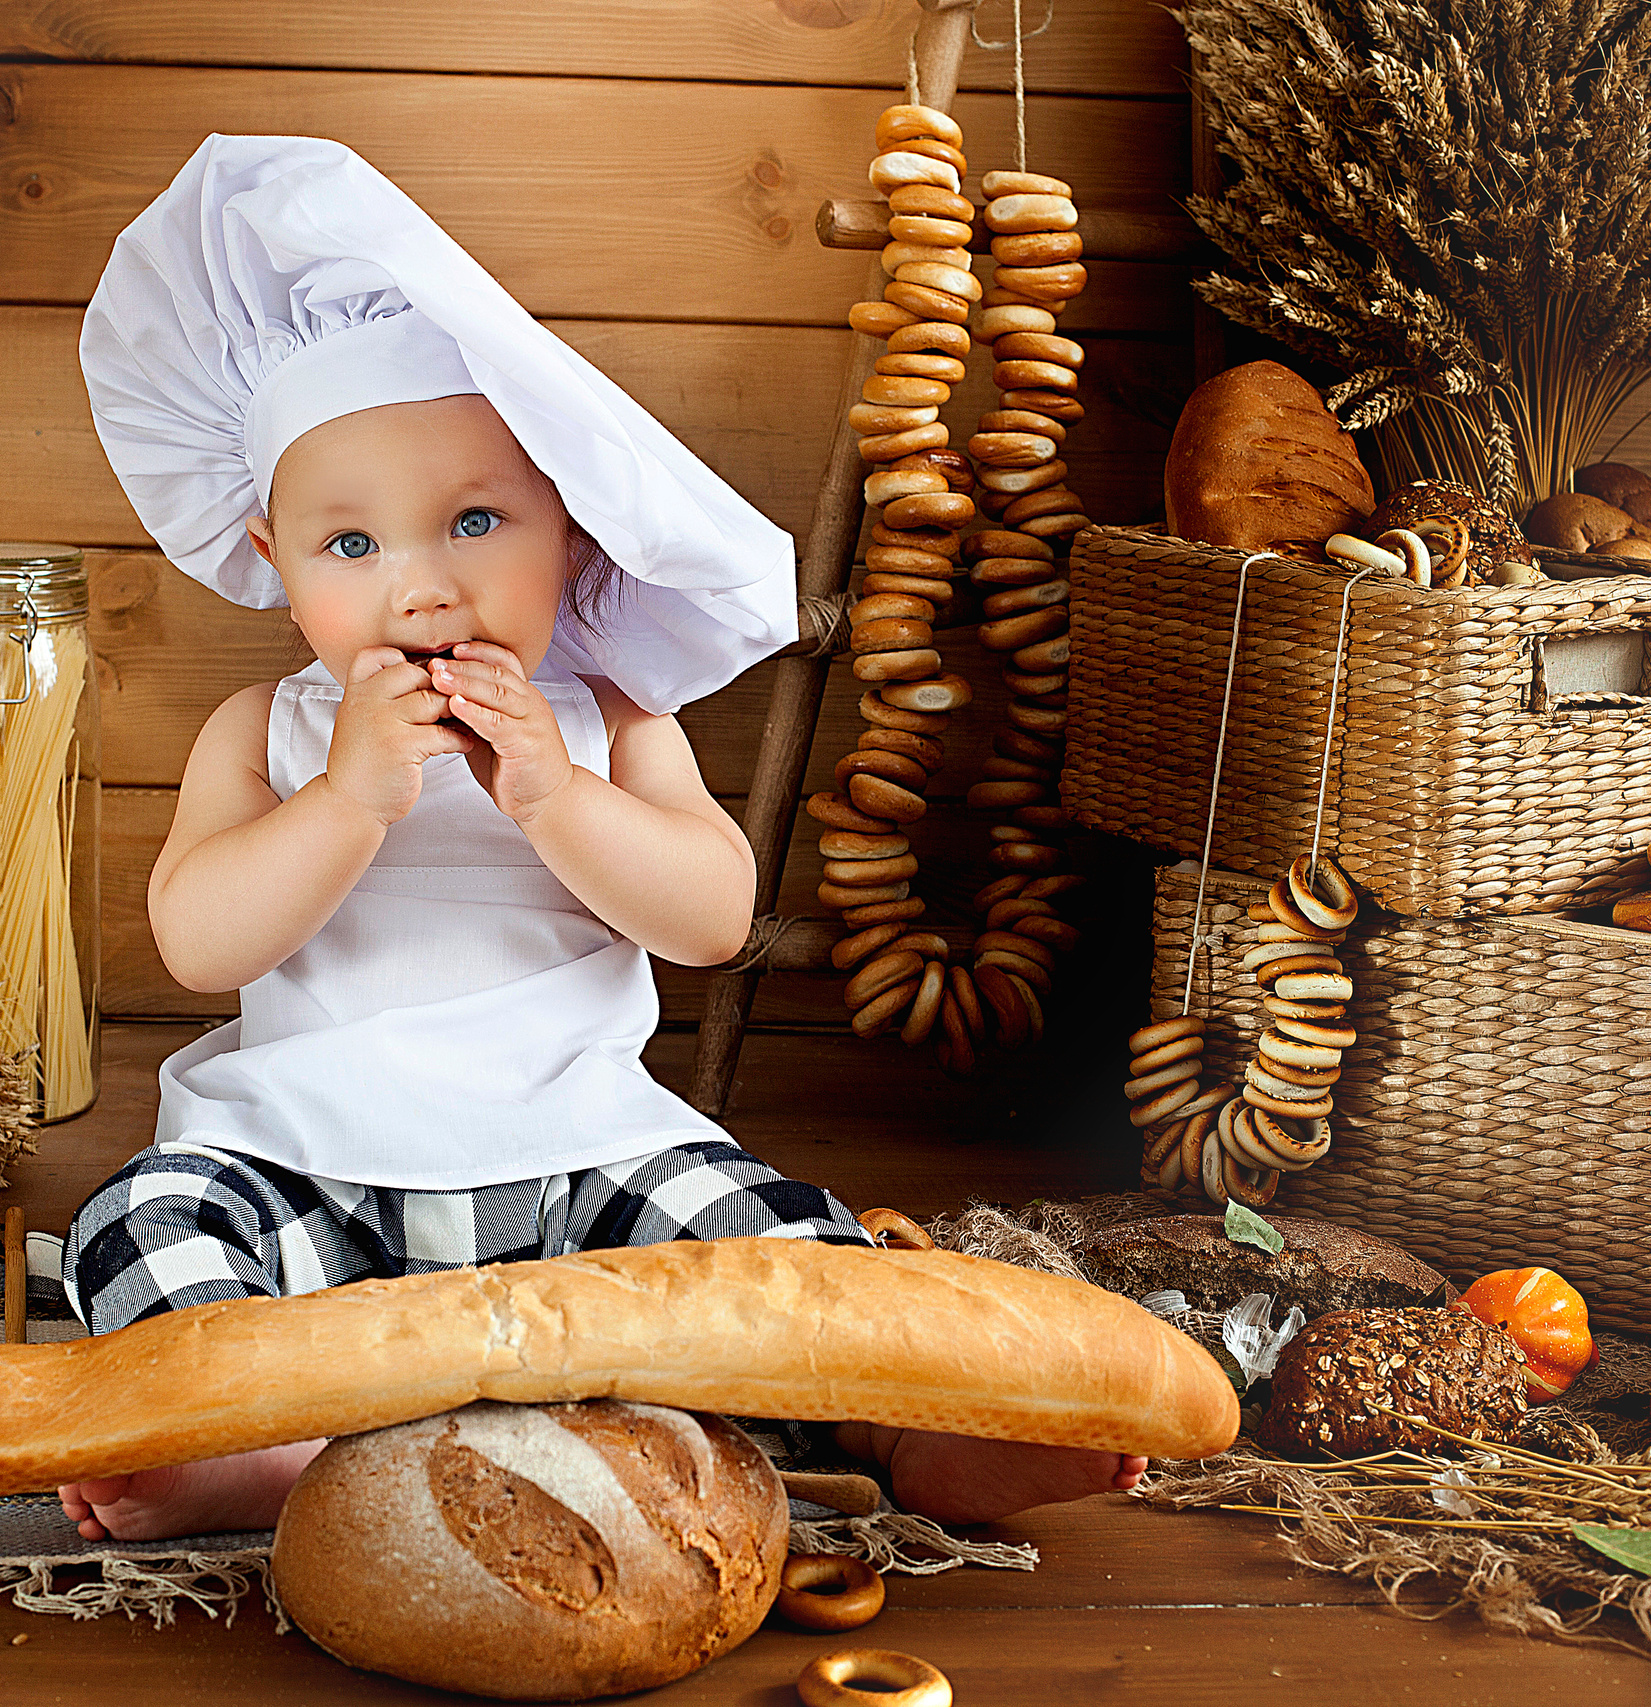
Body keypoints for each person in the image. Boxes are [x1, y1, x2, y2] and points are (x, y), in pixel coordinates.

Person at [56, 134, 1143, 1542]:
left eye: (472, 522)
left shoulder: (607, 716)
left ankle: (901, 1428)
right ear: (271, 559)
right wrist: (346, 803)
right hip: (308, 1170)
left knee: (784, 1254)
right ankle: (254, 1439)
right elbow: (201, 944)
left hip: (581, 1162)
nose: (420, 587)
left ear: (566, 533)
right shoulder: (268, 730)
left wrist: (553, 797)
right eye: (351, 547)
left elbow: (711, 919)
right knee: (136, 1225)